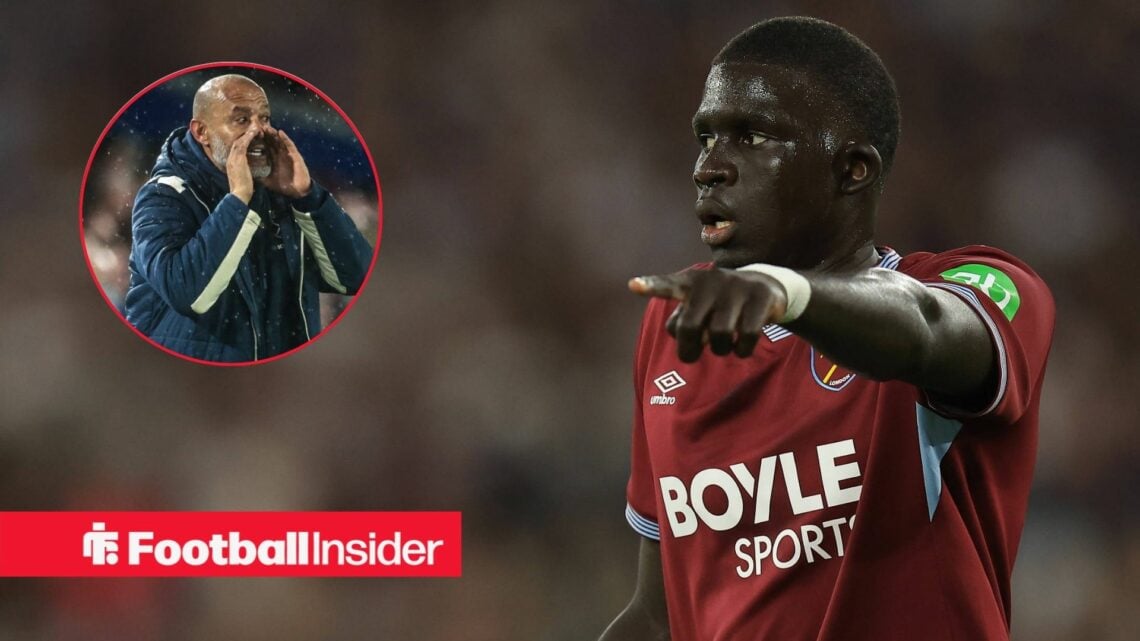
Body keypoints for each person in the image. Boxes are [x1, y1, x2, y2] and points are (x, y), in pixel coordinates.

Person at [600, 16, 1054, 641]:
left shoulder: (993, 287)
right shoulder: (677, 322)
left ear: (853, 170)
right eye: (705, 137)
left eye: (752, 136)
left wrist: (787, 293)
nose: (708, 167)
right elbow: (661, 614)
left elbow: (925, 326)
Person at [124, 73, 374, 362]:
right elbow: (190, 294)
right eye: (241, 120)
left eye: (264, 119)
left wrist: (307, 196)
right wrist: (238, 200)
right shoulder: (163, 196)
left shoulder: (282, 196)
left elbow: (357, 276)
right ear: (201, 132)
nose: (259, 130)